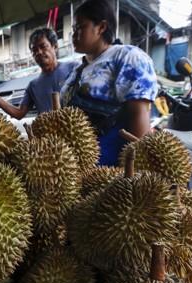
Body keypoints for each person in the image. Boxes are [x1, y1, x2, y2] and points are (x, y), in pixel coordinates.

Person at [61, 0, 158, 166]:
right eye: (73, 29)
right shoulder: (77, 70)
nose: (74, 34)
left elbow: (138, 115)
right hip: (70, 170)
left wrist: (134, 173)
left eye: (80, 27)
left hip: (111, 171)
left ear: (101, 27)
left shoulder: (127, 57)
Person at [0, 28, 77, 119]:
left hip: (75, 131)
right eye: (34, 50)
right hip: (48, 133)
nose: (39, 52)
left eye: (43, 46)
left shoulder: (74, 69)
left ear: (55, 46)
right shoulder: (33, 86)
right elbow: (19, 113)